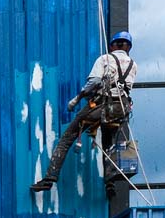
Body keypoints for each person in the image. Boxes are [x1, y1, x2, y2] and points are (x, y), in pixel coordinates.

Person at [31, 32, 138, 194]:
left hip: (101, 106)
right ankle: (110, 183)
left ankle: (49, 178)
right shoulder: (133, 65)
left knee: (67, 138)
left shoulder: (105, 59)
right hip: (119, 110)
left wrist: (77, 98)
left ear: (112, 46)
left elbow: (94, 82)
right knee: (109, 144)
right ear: (128, 47)